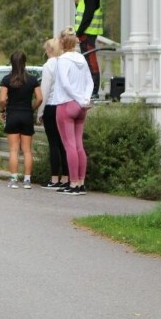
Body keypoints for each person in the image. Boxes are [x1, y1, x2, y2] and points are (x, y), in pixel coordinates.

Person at [53, 27, 95, 194]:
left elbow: (64, 83)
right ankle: (82, 182)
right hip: (81, 106)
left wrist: (77, 98)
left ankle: (73, 183)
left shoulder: (62, 60)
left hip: (66, 103)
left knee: (69, 145)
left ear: (63, 42)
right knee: (79, 145)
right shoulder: (81, 59)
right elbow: (90, 81)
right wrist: (84, 99)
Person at [0, 51, 42, 188]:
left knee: (13, 150)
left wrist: (2, 110)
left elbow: (2, 99)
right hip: (27, 115)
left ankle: (13, 179)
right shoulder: (32, 79)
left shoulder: (7, 79)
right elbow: (40, 98)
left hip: (12, 114)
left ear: (11, 62)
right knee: (27, 150)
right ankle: (27, 180)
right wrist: (33, 108)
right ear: (25, 62)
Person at [38, 38, 69, 190]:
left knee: (53, 143)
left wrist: (40, 112)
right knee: (64, 143)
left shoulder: (48, 65)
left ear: (49, 50)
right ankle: (66, 177)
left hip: (51, 104)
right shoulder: (65, 63)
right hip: (64, 104)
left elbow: (45, 89)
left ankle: (54, 177)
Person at [74, 0, 104, 98]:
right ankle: (91, 90)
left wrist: (79, 32)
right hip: (87, 32)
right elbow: (83, 12)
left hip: (88, 33)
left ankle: (94, 91)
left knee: (90, 61)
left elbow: (88, 15)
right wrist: (76, 3)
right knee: (87, 61)